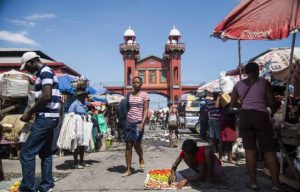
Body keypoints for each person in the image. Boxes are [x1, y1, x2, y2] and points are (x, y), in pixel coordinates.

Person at [231, 62, 281, 191]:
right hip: (260, 116)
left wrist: (243, 104)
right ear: (258, 71)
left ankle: (253, 183)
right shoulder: (264, 83)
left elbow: (233, 104)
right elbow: (271, 102)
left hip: (245, 117)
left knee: (250, 151)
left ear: (246, 72)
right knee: (269, 151)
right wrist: (270, 109)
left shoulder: (238, 85)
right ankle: (275, 184)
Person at [19, 51, 60, 192]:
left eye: (26, 66)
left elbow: (46, 96)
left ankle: (28, 187)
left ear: (32, 61)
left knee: (26, 153)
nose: (26, 69)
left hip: (45, 118)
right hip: (51, 117)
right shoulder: (44, 73)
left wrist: (29, 112)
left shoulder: (45, 72)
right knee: (45, 153)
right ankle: (46, 185)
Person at [123, 76, 150, 176]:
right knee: (128, 145)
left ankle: (141, 157)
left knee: (137, 144)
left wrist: (143, 123)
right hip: (128, 122)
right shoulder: (129, 94)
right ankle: (129, 169)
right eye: (134, 82)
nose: (135, 84)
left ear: (141, 84)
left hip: (139, 122)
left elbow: (146, 110)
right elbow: (126, 107)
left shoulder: (145, 95)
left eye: (137, 82)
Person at [68, 90, 90, 169]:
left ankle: (81, 161)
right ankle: (75, 162)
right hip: (76, 127)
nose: (85, 98)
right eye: (83, 96)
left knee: (82, 144)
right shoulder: (74, 104)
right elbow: (70, 114)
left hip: (82, 126)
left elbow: (84, 113)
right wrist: (78, 117)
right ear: (80, 96)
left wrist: (86, 115)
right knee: (76, 145)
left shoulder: (82, 104)